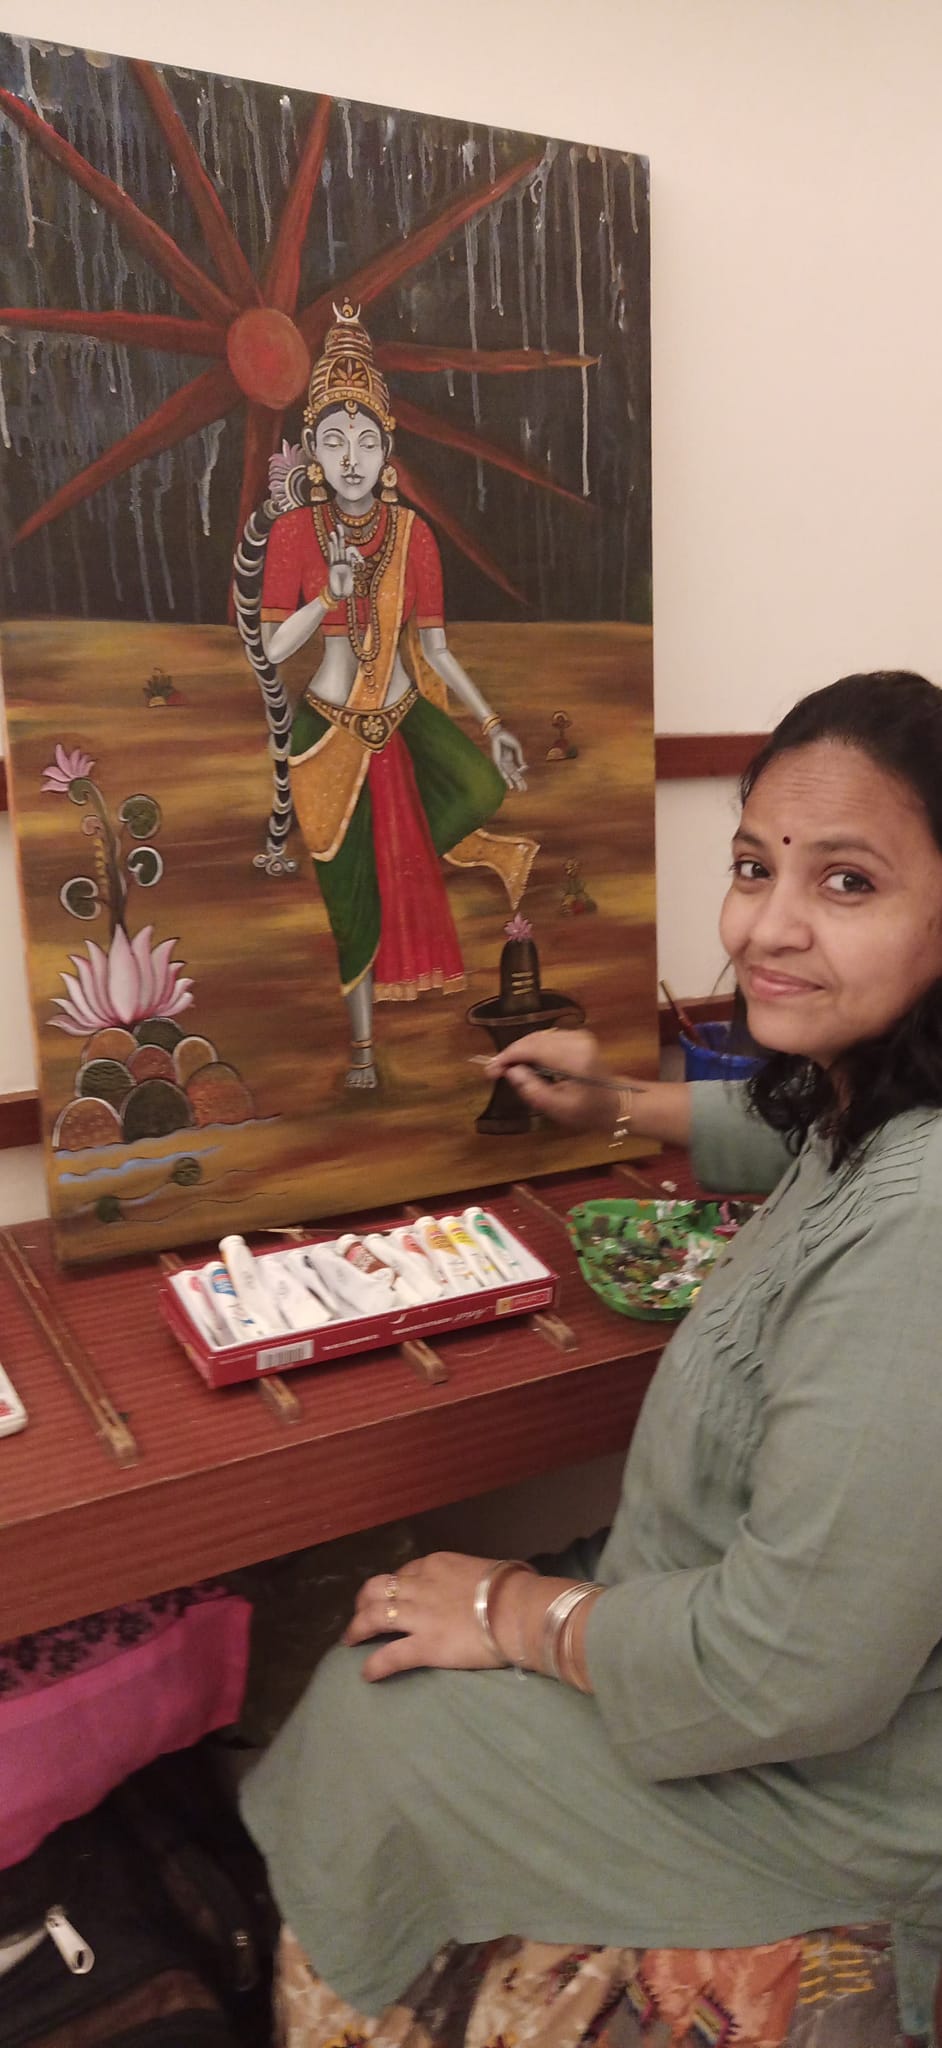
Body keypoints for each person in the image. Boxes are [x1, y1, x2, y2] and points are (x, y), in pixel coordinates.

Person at [242, 670, 942, 2042]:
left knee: (373, 1715)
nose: (766, 925)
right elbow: (791, 1130)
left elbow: (790, 1676)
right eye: (754, 865)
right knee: (379, 1667)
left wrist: (512, 1610)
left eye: (847, 882)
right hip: (722, 1652)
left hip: (824, 1787)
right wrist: (615, 1100)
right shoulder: (875, 1103)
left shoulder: (921, 1227)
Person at [238, 300, 536, 1090]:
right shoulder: (296, 534)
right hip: (327, 733)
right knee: (349, 900)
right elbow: (272, 649)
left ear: (387, 448)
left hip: (404, 719)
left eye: (366, 441)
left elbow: (435, 649)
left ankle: (405, 856)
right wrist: (325, 598)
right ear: (313, 449)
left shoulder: (413, 535)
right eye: (335, 440)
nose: (352, 458)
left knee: (477, 789)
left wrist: (492, 723)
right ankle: (363, 1048)